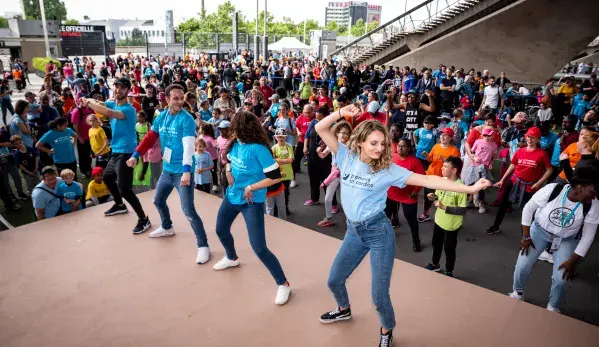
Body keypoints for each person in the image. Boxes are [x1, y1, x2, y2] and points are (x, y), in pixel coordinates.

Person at [314, 104, 491, 346]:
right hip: (354, 232)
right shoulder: (346, 156)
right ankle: (343, 308)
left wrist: (470, 188)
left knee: (378, 297)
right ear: (361, 141)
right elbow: (320, 127)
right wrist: (342, 112)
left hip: (378, 233)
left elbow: (428, 178)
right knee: (334, 280)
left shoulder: (387, 170)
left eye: (383, 144)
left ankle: (387, 331)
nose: (379, 148)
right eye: (373, 143)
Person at [211, 110, 291, 306]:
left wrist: (251, 187)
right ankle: (231, 257)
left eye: (234, 127)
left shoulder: (259, 150)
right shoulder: (235, 143)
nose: (231, 130)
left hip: (251, 202)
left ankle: (283, 283)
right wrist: (228, 171)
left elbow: (275, 176)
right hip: (232, 196)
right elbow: (227, 159)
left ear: (243, 128)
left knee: (259, 247)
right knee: (220, 230)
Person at [128, 84, 210, 262]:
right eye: (176, 98)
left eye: (182, 98)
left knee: (188, 210)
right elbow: (150, 137)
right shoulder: (161, 117)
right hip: (168, 170)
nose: (180, 102)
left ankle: (203, 245)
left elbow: (189, 146)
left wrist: (187, 171)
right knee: (158, 200)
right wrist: (136, 154)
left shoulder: (186, 119)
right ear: (167, 100)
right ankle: (167, 227)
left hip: (183, 171)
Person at [509, 168, 598, 313]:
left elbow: (588, 236)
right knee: (523, 265)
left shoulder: (593, 205)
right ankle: (517, 293)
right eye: (592, 191)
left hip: (566, 239)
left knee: (562, 278)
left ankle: (553, 306)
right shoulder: (553, 190)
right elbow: (528, 209)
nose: (594, 196)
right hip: (539, 231)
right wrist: (526, 237)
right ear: (580, 188)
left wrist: (573, 260)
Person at [81, 77, 151, 234]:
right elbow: (102, 104)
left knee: (125, 189)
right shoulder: (113, 102)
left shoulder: (129, 109)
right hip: (116, 151)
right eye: (116, 87)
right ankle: (120, 205)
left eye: (122, 88)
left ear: (127, 91)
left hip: (126, 152)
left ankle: (143, 219)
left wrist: (88, 103)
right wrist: (87, 98)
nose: (118, 90)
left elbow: (106, 112)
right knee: (107, 178)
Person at [486, 127, 553, 235]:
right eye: (528, 137)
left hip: (529, 186)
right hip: (514, 181)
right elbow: (513, 165)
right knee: (503, 204)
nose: (530, 140)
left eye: (533, 138)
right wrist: (502, 180)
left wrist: (539, 183)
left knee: (528, 211)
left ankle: (527, 235)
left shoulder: (542, 154)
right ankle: (495, 226)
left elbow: (549, 170)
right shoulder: (520, 151)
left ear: (538, 140)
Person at [424, 157, 468, 277]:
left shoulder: (461, 188)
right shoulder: (442, 181)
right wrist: (434, 196)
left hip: (451, 226)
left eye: (445, 167)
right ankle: (435, 264)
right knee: (436, 244)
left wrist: (444, 207)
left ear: (454, 170)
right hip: (438, 221)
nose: (442, 168)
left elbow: (462, 210)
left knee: (449, 249)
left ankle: (449, 271)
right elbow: (439, 197)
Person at [386, 135, 425, 251]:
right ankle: (384, 237)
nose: (400, 148)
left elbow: (422, 177)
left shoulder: (415, 161)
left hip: (408, 196)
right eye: (399, 146)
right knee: (385, 217)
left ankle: (416, 241)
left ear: (409, 148)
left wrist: (415, 190)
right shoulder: (392, 157)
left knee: (411, 220)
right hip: (391, 194)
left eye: (403, 146)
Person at [418, 128, 461, 223]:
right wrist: (426, 156)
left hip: (444, 179)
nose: (442, 136)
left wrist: (445, 161)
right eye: (441, 134)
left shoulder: (454, 151)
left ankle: (445, 215)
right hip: (431, 175)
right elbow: (430, 159)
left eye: (445, 135)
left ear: (451, 138)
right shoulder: (436, 146)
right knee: (428, 196)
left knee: (443, 197)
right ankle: (426, 214)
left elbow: (456, 167)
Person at [318, 121, 352, 227]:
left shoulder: (350, 146)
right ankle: (328, 218)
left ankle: (350, 222)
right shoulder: (332, 143)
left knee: (345, 200)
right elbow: (323, 155)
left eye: (347, 133)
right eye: (342, 132)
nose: (344, 135)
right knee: (328, 198)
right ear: (337, 133)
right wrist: (319, 151)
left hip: (347, 175)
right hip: (334, 174)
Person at [463, 127, 498, 214]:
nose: (486, 136)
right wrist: (473, 157)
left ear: (492, 135)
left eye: (488, 135)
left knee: (482, 186)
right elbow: (472, 151)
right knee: (469, 183)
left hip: (484, 167)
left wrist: (491, 163)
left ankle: (481, 203)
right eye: (484, 135)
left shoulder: (494, 145)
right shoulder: (478, 141)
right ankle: (465, 201)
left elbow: (494, 156)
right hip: (474, 165)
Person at [271, 127, 294, 217]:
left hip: (287, 174)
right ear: (276, 137)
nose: (281, 138)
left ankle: (285, 207)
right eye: (279, 136)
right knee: (276, 192)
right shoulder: (274, 148)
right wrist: (285, 160)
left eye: (282, 136)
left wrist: (278, 160)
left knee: (286, 192)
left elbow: (291, 160)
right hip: (277, 174)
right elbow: (272, 161)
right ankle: (276, 209)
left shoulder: (289, 147)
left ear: (286, 137)